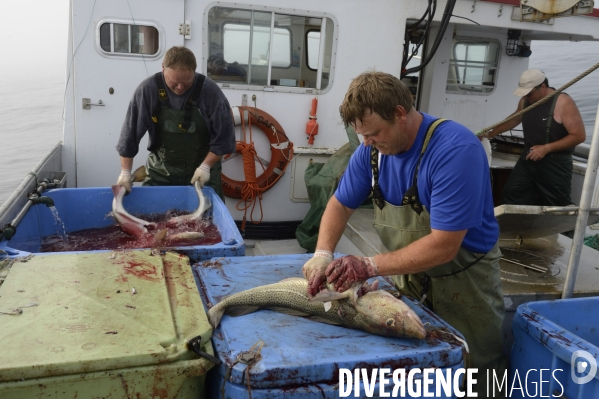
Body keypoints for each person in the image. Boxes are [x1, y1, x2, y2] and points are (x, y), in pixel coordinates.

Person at [302, 71, 504, 395]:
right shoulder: (370, 152)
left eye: (375, 133)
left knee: (472, 376)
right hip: (407, 279)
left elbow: (444, 246)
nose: (367, 142)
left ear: (400, 113)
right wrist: (322, 253)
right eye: (362, 135)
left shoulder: (454, 150)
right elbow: (339, 205)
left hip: (465, 285)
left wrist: (369, 266)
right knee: (414, 375)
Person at [116, 46, 235, 199]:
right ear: (163, 68)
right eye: (174, 82)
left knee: (206, 219)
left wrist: (205, 166)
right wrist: (125, 172)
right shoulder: (148, 90)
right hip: (161, 171)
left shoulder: (210, 92)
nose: (180, 87)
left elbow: (224, 139)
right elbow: (129, 136)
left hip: (202, 171)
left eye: (186, 83)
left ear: (194, 71)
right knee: (154, 217)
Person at [483, 69, 585, 206]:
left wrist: (546, 148)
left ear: (542, 86)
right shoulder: (525, 101)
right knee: (512, 193)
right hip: (529, 159)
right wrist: (489, 134)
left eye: (529, 94)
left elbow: (579, 136)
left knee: (557, 203)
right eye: (523, 94)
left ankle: (563, 228)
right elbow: (514, 119)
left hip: (555, 164)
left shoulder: (563, 102)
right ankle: (516, 227)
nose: (525, 98)